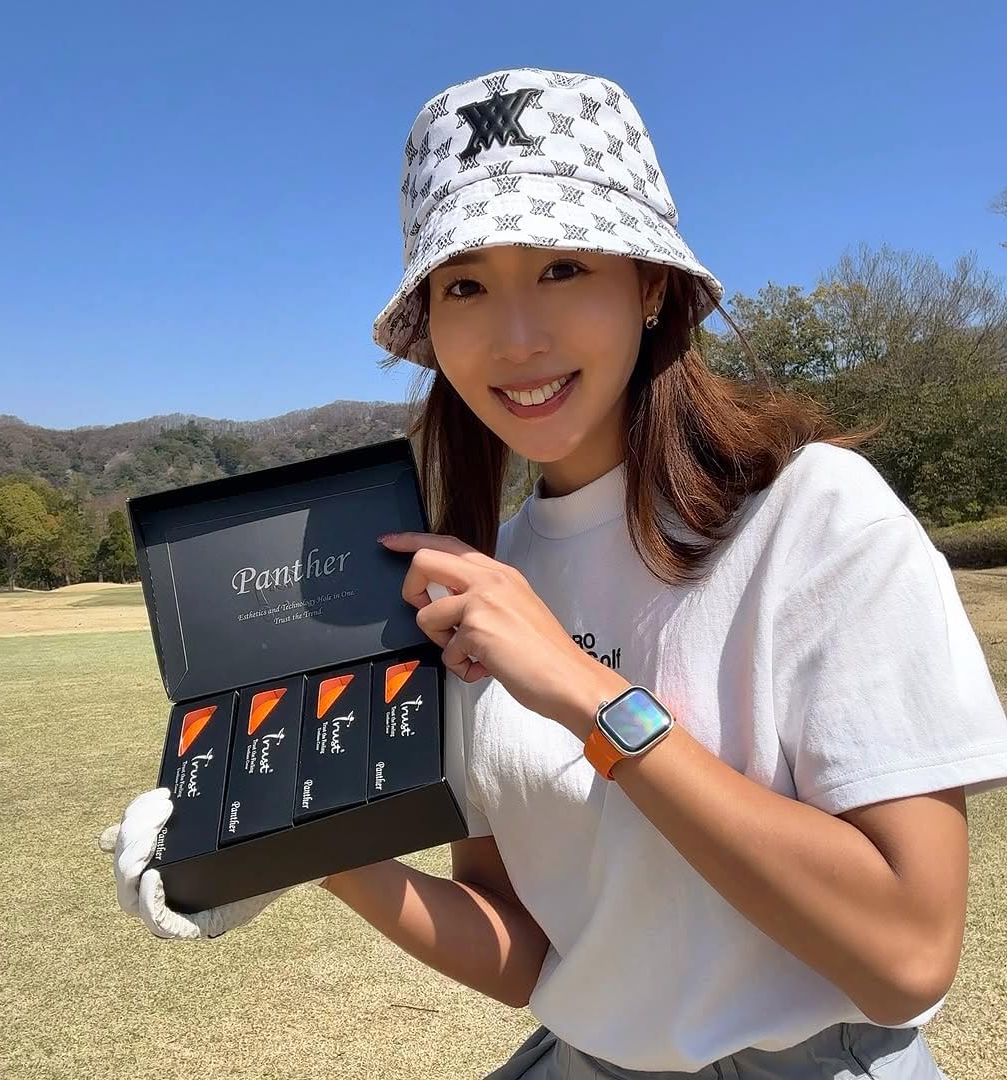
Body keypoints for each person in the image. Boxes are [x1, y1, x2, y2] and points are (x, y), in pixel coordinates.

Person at [103, 68, 1007, 1078]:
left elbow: (906, 959)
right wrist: (310, 851)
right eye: (465, 286)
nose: (517, 337)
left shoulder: (814, 515)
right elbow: (529, 949)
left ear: (650, 285)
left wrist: (583, 691)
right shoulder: (482, 585)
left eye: (564, 268)